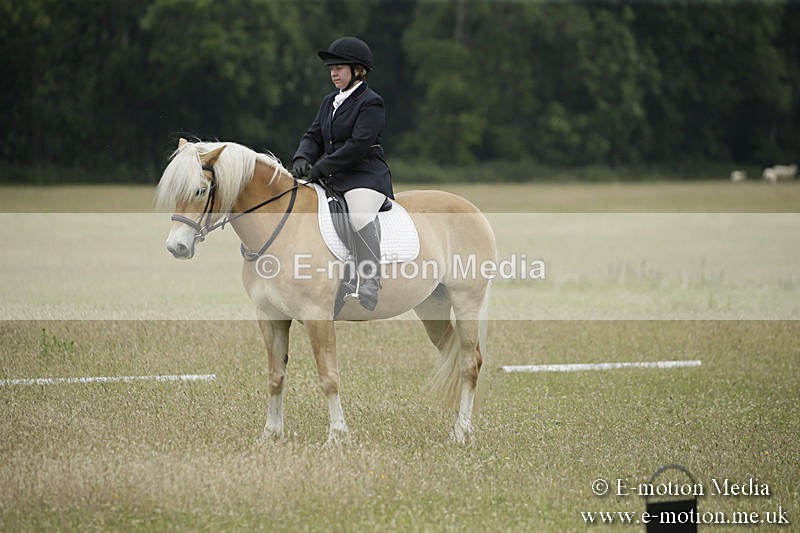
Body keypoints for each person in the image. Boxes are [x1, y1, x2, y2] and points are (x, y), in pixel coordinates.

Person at [291, 36, 394, 312]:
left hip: (365, 177)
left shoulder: (371, 102)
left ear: (357, 70)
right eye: (331, 68)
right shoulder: (329, 102)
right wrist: (303, 156)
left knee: (359, 217)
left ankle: (371, 278)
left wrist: (321, 167)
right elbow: (313, 135)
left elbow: (358, 146)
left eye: (339, 67)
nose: (333, 72)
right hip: (335, 178)